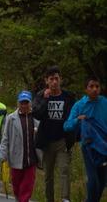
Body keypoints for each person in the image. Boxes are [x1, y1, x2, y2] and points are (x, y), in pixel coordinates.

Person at [32, 66, 76, 202]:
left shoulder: (68, 96)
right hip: (47, 142)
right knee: (48, 175)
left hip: (62, 140)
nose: (54, 82)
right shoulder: (40, 95)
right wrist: (46, 99)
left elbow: (73, 117)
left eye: (57, 79)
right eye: (51, 79)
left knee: (64, 171)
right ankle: (49, 199)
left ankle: (65, 199)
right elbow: (37, 115)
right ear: (47, 81)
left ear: (60, 79)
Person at [64, 77, 107, 202]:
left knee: (102, 182)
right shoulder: (79, 105)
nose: (94, 89)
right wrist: (78, 119)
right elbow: (66, 125)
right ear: (86, 89)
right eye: (91, 86)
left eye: (97, 86)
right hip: (89, 147)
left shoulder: (104, 103)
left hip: (104, 148)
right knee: (94, 182)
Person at [1, 91, 39, 202]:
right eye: (22, 103)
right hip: (15, 158)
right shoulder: (11, 118)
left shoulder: (36, 118)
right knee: (16, 186)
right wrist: (3, 155)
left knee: (27, 187)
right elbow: (5, 138)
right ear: (18, 103)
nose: (24, 105)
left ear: (30, 103)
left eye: (26, 102)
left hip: (31, 159)